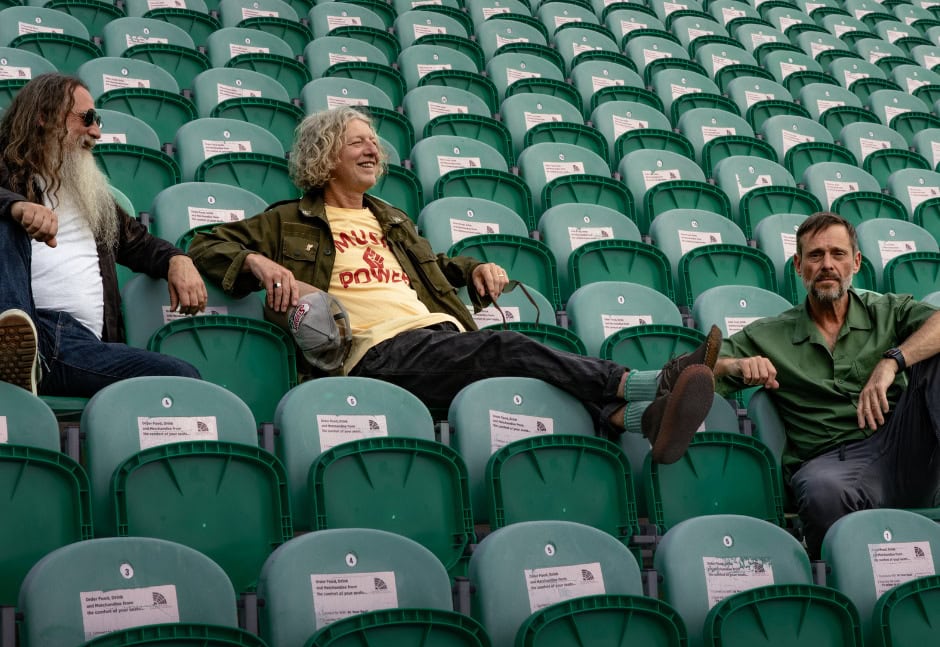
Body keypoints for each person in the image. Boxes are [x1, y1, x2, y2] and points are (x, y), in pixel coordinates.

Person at [190, 107, 720, 463]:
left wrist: (473, 270)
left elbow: (433, 267)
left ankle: (634, 418)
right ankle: (646, 385)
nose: (374, 148)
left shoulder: (391, 219)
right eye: (357, 142)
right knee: (508, 346)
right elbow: (204, 244)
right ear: (326, 156)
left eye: (375, 140)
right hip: (375, 358)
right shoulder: (289, 221)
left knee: (534, 367)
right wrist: (260, 265)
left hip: (436, 339)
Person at [715, 212, 940, 556]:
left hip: (906, 442)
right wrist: (737, 363)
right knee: (820, 491)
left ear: (857, 262)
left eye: (838, 254)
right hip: (836, 464)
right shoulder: (769, 334)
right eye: (815, 255)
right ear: (798, 265)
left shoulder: (888, 311)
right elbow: (700, 368)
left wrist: (892, 361)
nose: (827, 265)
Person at [0, 73, 207, 397]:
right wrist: (15, 207)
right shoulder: (6, 172)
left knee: (182, 378)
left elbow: (140, 243)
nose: (96, 131)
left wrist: (177, 259)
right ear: (43, 117)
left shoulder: (90, 195)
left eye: (98, 121)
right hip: (35, 327)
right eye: (86, 119)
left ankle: (26, 363)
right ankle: (10, 348)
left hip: (79, 347)